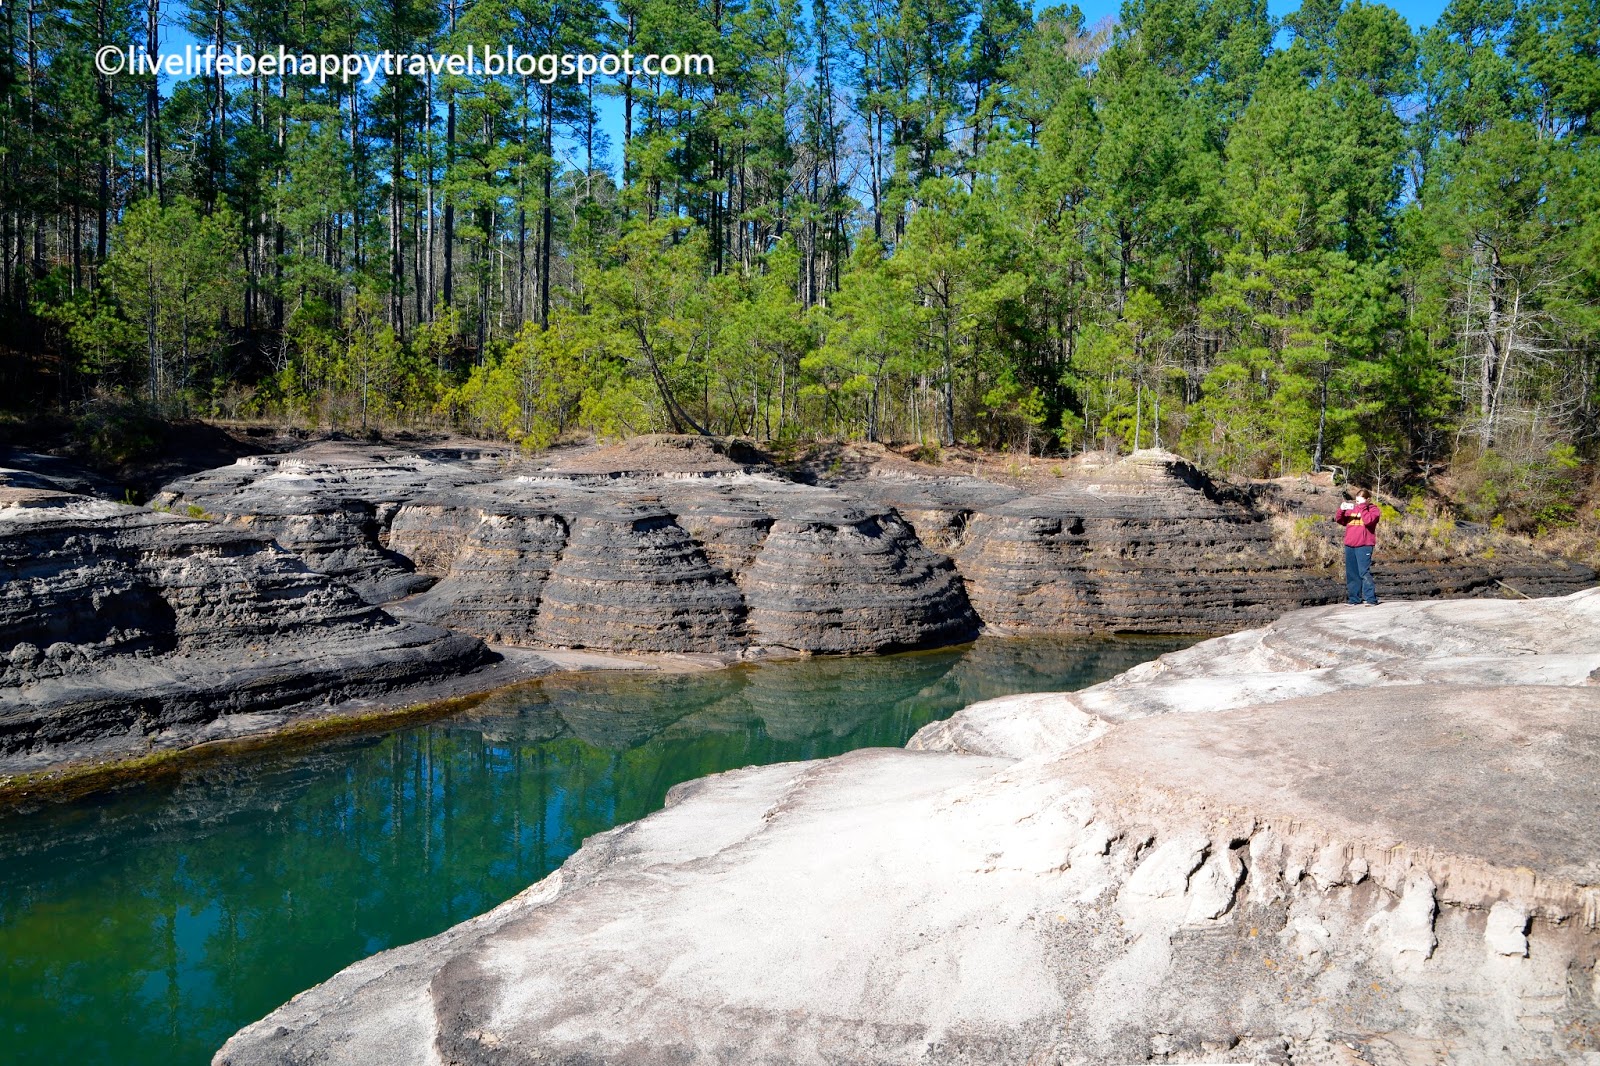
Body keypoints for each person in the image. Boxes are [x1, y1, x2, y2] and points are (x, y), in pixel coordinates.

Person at [1334, 487, 1381, 606]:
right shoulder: (1352, 509)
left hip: (1364, 545)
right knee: (1352, 573)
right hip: (1350, 545)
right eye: (1357, 500)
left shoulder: (1373, 510)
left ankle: (1371, 599)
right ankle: (1354, 599)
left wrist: (1363, 507)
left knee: (1364, 572)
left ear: (1367, 500)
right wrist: (1341, 510)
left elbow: (1368, 521)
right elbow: (1340, 520)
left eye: (1360, 500)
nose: (1358, 503)